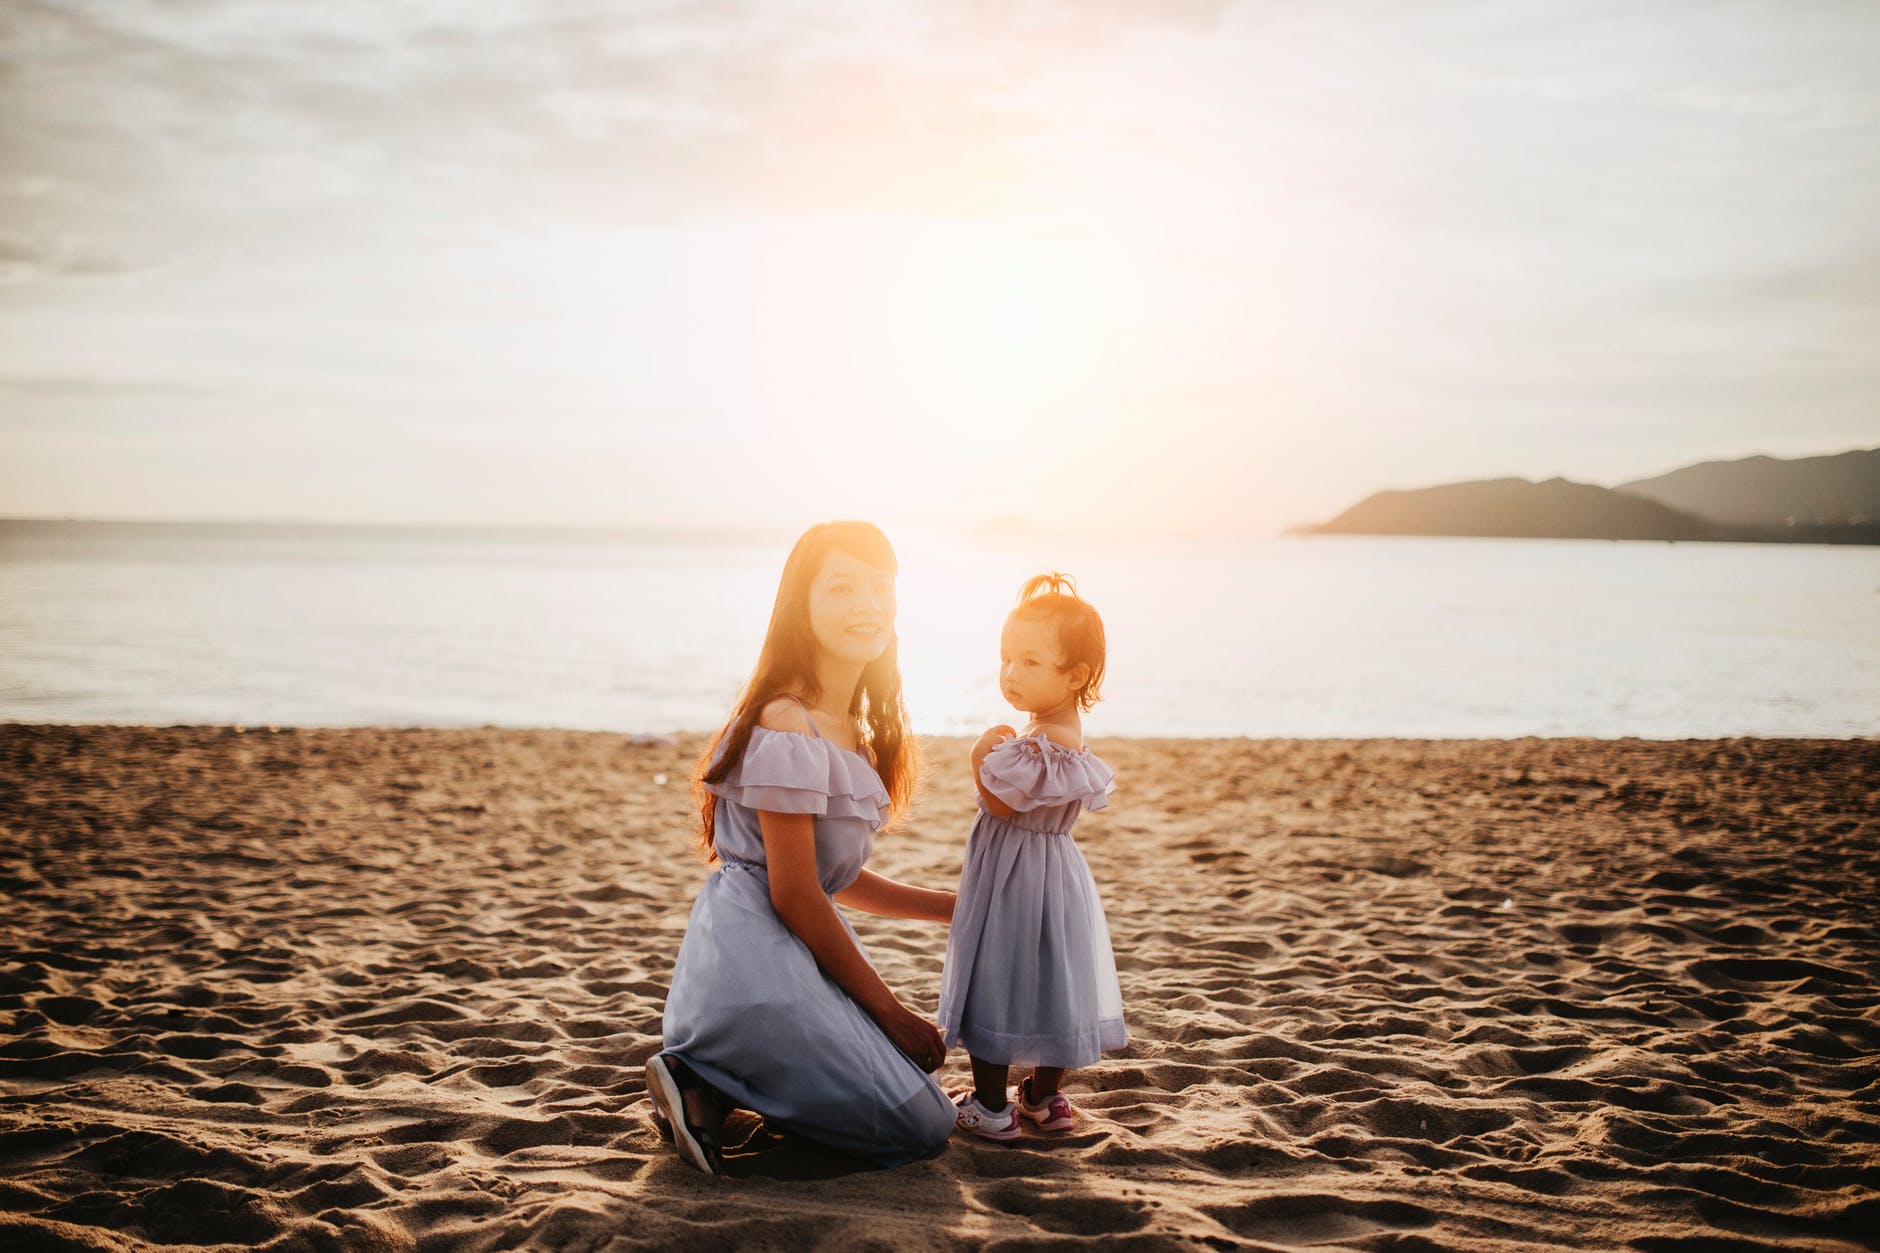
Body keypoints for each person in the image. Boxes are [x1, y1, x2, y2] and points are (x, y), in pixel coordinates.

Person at [647, 521, 958, 1175]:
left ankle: (715, 1091)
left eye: (880, 587)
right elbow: (794, 893)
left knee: (921, 1100)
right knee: (923, 1124)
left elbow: (833, 878)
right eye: (841, 588)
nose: (866, 604)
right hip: (752, 964)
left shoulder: (856, 731)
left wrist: (951, 909)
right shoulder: (788, 720)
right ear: (802, 605)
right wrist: (892, 1010)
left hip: (780, 950)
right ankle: (705, 1077)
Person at [936, 573, 1127, 1141]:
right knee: (1053, 977)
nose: (1011, 674)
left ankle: (992, 1107)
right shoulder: (1054, 731)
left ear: (1076, 676)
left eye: (1029, 662)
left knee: (997, 973)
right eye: (1006, 658)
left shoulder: (1048, 741)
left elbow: (1002, 800)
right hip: (1052, 872)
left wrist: (978, 755)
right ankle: (1043, 1096)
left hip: (1016, 874)